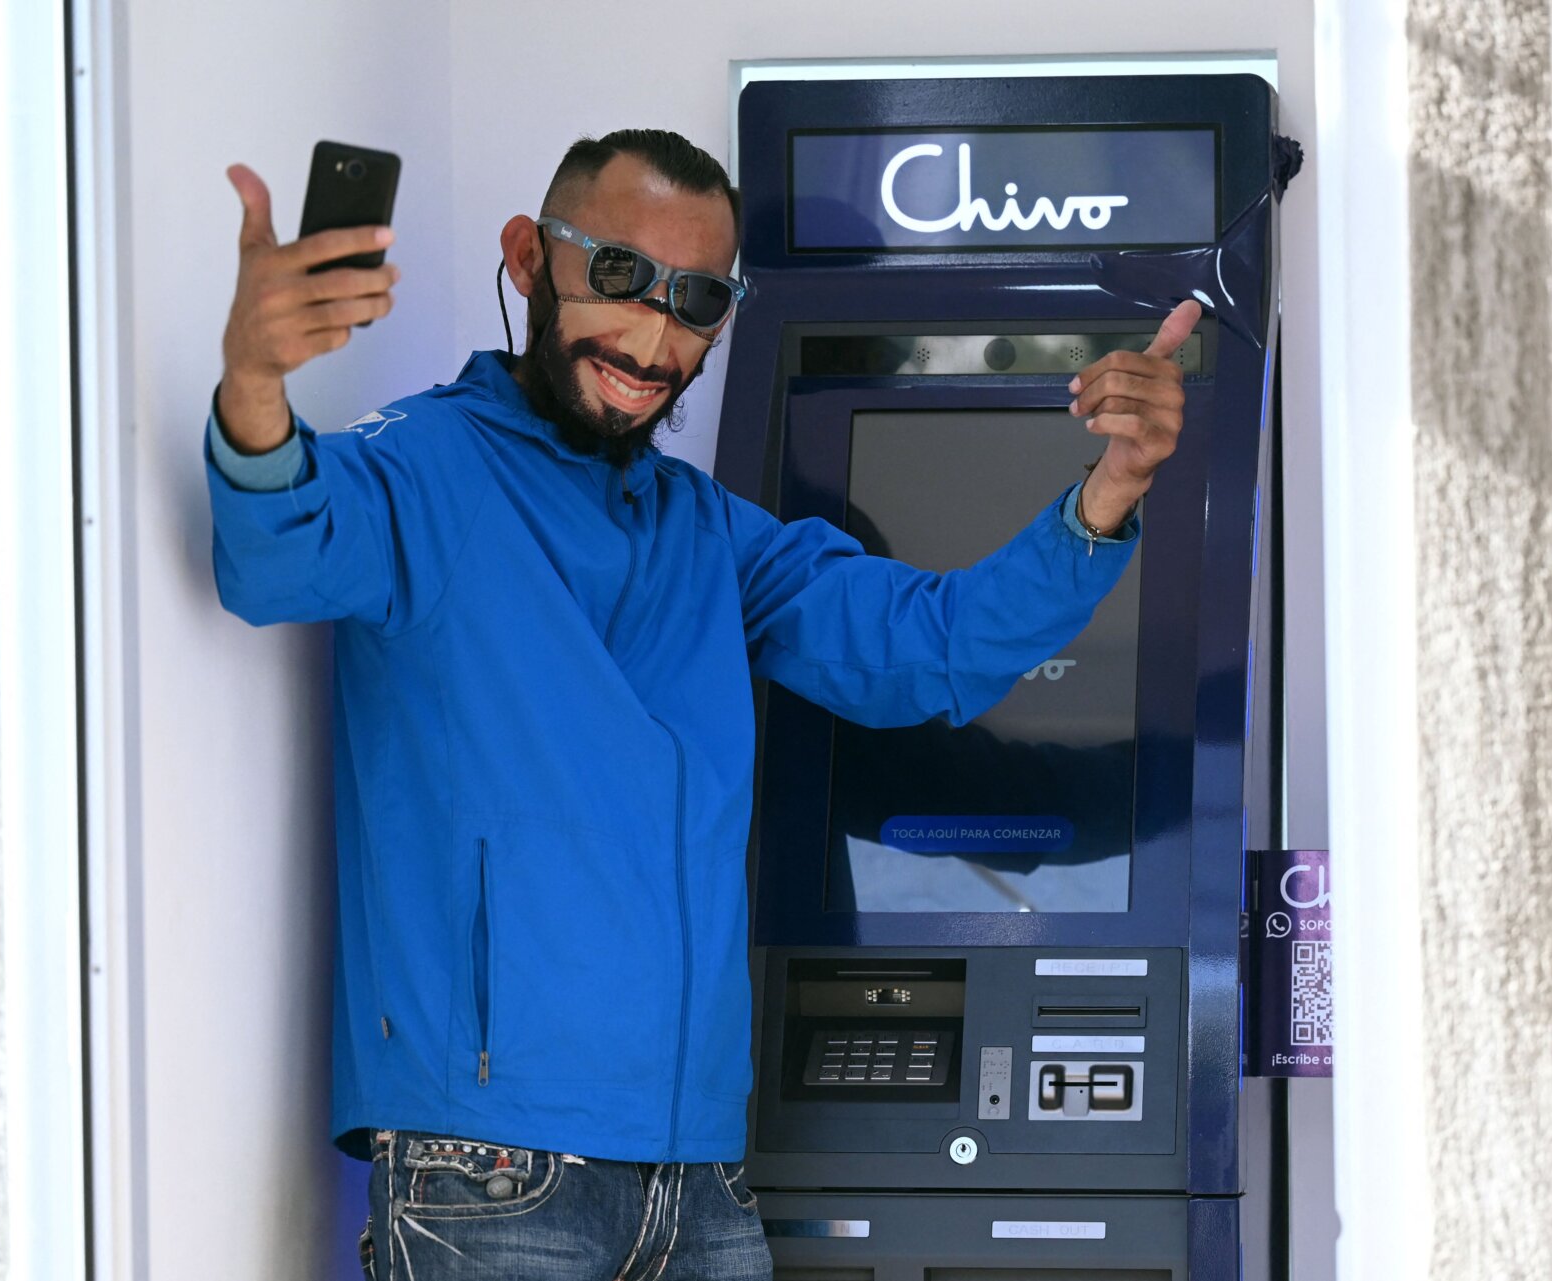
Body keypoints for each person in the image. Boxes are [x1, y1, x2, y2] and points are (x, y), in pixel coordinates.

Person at [208, 128, 1195, 1281]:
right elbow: (278, 552)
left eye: (699, 300)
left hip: (701, 1180)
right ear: (528, 258)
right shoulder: (424, 468)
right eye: (620, 275)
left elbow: (933, 649)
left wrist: (1111, 489)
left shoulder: (708, 531)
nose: (655, 336)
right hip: (487, 1172)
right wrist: (254, 378)